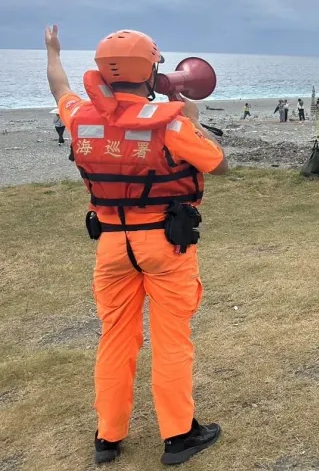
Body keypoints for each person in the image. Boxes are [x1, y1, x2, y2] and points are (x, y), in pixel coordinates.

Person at [44, 24, 225, 466]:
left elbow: (60, 88)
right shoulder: (171, 124)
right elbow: (217, 163)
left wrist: (52, 52)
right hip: (165, 245)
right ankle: (179, 435)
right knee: (171, 341)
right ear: (150, 72)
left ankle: (108, 436)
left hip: (110, 244)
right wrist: (195, 122)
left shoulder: (81, 117)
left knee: (116, 338)